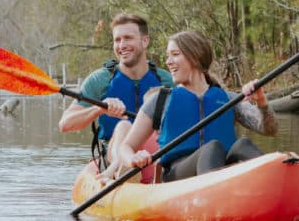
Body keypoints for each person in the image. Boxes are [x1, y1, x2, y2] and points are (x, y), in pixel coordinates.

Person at [117, 30, 278, 182]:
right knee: (211, 148)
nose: (168, 62)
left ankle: (274, 179)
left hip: (223, 172)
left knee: (242, 145)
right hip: (177, 175)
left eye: (175, 54)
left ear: (195, 57)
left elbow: (270, 130)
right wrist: (132, 158)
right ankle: (213, 197)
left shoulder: (228, 99)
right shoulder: (161, 100)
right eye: (168, 56)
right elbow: (126, 146)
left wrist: (261, 101)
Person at [58, 13, 172, 181]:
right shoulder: (100, 80)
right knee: (124, 126)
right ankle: (122, 169)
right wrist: (99, 109)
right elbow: (65, 124)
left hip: (155, 152)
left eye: (128, 38)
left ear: (145, 41)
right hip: (114, 153)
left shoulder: (167, 80)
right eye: (117, 40)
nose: (122, 45)